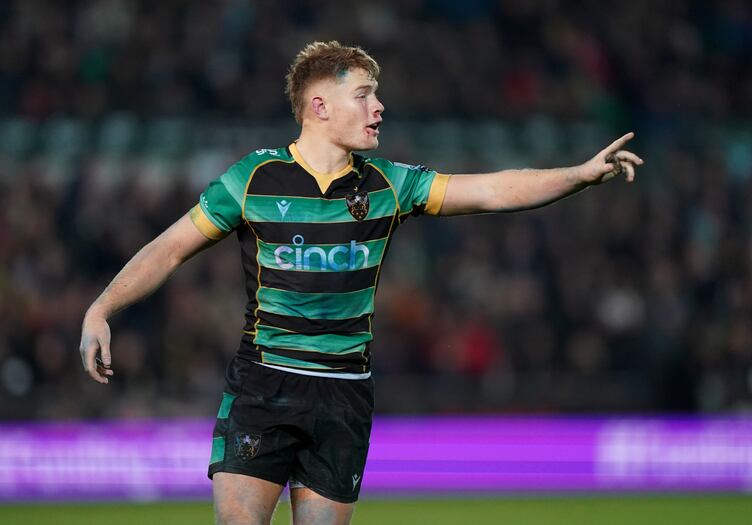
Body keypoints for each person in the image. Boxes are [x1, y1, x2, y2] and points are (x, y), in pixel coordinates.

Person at [79, 41, 643, 524]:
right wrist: (100, 309)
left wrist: (579, 175)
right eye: (365, 94)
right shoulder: (250, 180)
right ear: (320, 106)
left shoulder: (391, 184)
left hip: (344, 393)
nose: (379, 107)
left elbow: (494, 190)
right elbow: (170, 248)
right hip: (264, 384)